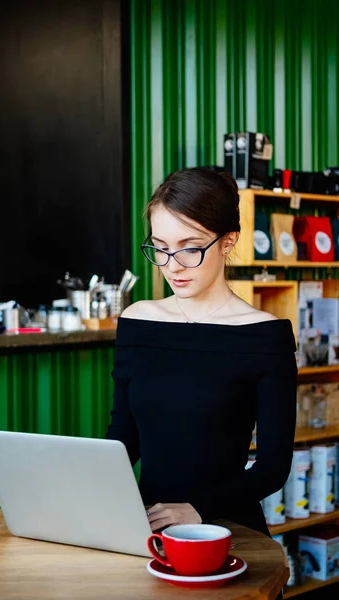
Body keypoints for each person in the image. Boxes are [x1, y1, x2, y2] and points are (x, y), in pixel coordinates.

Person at [106, 167, 297, 541]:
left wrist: (197, 507)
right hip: (148, 525)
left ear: (228, 241)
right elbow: (124, 435)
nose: (172, 266)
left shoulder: (264, 336)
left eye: (190, 248)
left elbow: (273, 467)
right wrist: (88, 482)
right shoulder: (137, 321)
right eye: (160, 248)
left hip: (226, 526)